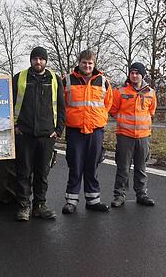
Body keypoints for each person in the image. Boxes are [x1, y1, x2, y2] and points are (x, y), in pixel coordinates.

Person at [12, 46, 66, 221]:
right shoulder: (19, 78)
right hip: (24, 134)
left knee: (42, 173)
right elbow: (8, 102)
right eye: (35, 58)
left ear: (46, 61)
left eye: (41, 59)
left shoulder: (54, 80)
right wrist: (14, 126)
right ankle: (23, 207)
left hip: (46, 135)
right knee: (23, 172)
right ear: (31, 60)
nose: (38, 62)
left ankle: (39, 206)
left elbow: (62, 107)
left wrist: (58, 130)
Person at [61, 50, 113, 214]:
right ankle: (71, 201)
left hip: (95, 131)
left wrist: (100, 118)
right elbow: (61, 104)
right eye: (84, 62)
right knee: (75, 165)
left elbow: (108, 103)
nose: (87, 65)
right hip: (75, 130)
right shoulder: (67, 80)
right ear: (79, 62)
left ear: (94, 64)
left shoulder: (103, 82)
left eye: (90, 63)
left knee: (92, 165)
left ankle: (93, 200)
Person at [109, 62, 157, 208]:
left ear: (142, 75)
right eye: (132, 73)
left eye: (137, 73)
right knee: (123, 167)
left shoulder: (150, 92)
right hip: (125, 135)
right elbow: (113, 110)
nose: (134, 75)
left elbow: (151, 111)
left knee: (141, 167)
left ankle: (141, 194)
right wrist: (123, 121)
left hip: (143, 136)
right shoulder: (120, 91)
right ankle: (119, 195)